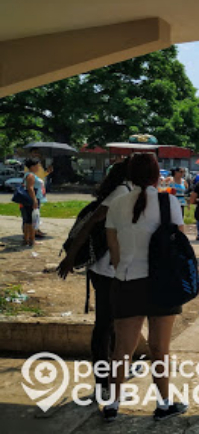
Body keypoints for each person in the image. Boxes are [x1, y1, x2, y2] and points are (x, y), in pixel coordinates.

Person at [104, 153, 186, 422]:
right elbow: (180, 242)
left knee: (121, 349)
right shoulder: (169, 201)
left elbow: (113, 250)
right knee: (159, 348)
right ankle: (163, 404)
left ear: (129, 174)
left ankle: (113, 404)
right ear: (156, 174)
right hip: (161, 284)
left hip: (127, 282)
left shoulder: (116, 204)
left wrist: (125, 268)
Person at [57, 159, 132, 394]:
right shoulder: (122, 191)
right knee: (105, 325)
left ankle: (110, 373)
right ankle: (103, 381)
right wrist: (70, 258)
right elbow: (91, 222)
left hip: (110, 269)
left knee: (111, 324)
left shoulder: (127, 189)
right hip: (106, 269)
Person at [20, 157, 47, 246]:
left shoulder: (27, 174)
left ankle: (26, 240)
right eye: (37, 165)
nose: (38, 167)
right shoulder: (31, 175)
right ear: (32, 166)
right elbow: (30, 188)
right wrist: (34, 200)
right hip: (32, 199)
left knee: (27, 221)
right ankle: (32, 240)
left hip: (27, 200)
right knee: (32, 221)